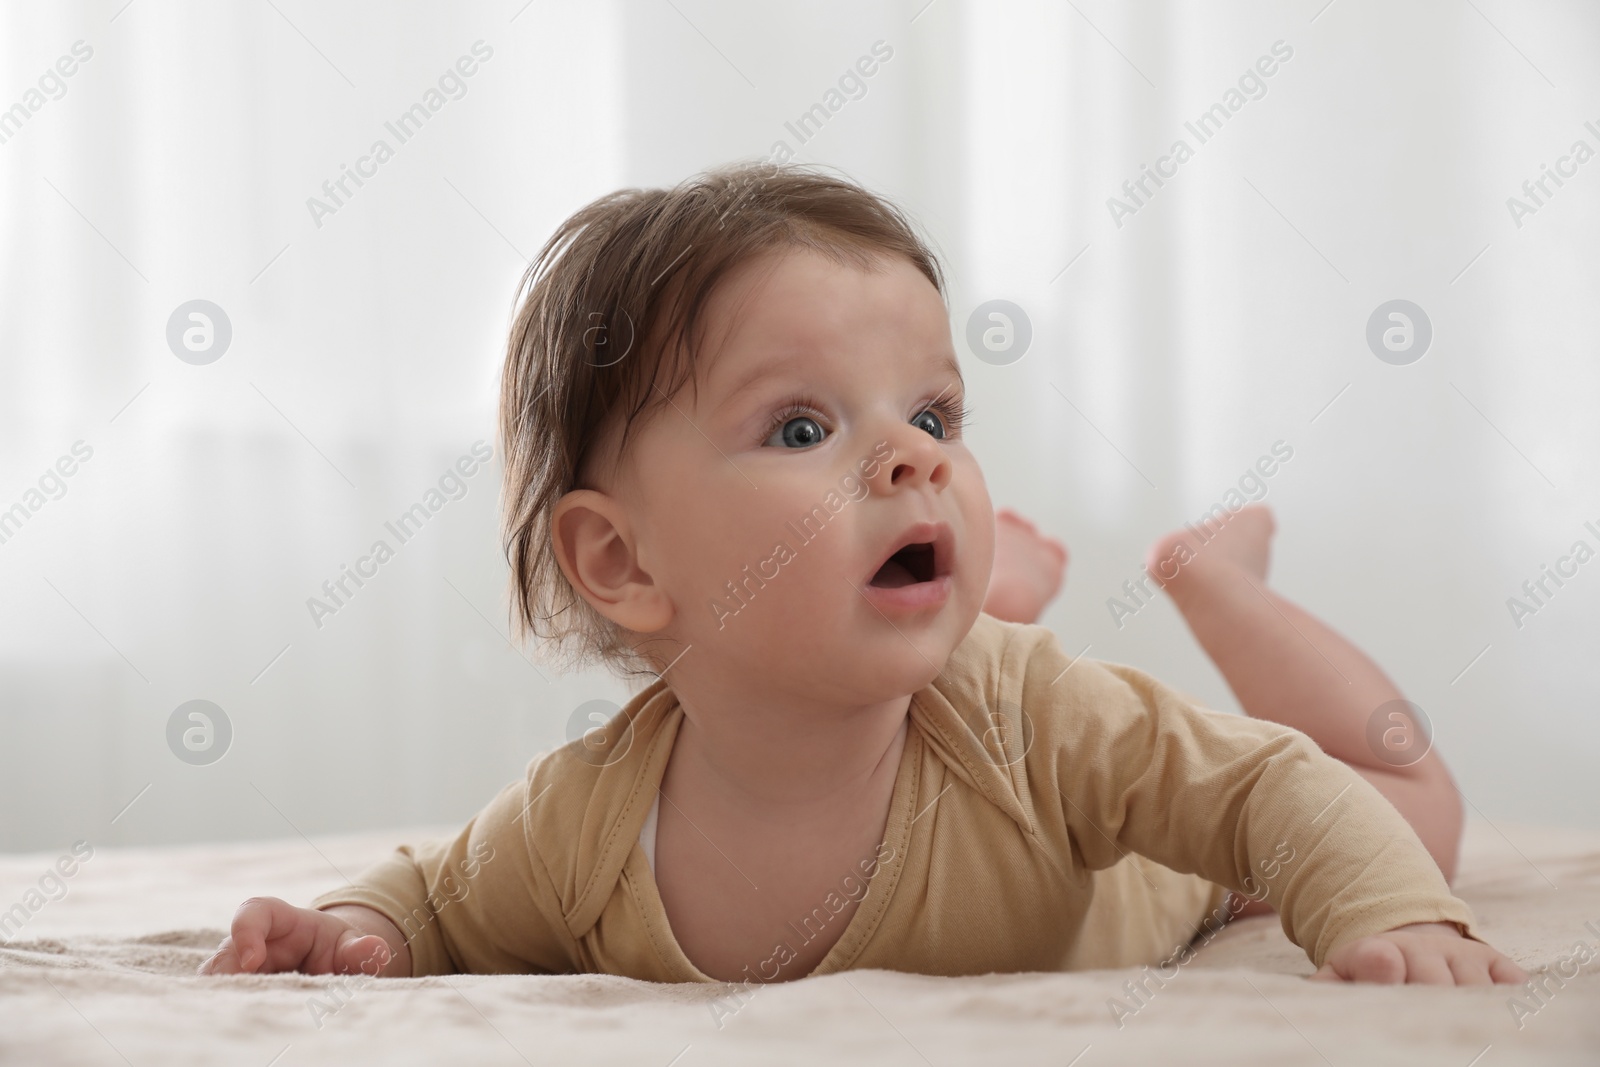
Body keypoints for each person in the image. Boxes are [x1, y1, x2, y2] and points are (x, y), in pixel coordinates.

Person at [200, 162, 1524, 988]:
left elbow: (1264, 787)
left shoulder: (1033, 720)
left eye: (936, 419)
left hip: (1185, 864)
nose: (912, 459)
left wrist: (1394, 907)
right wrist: (350, 929)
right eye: (801, 429)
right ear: (622, 560)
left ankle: (1224, 584)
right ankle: (978, 596)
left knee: (1411, 807)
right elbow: (439, 896)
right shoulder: (589, 826)